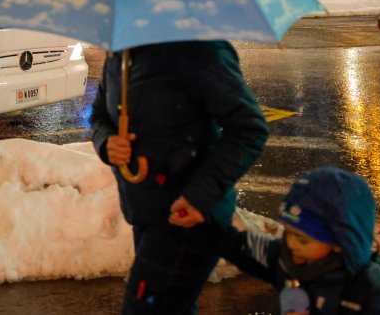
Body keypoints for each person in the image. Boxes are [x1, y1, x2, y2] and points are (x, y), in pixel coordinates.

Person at [90, 40, 269, 314]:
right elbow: (100, 114)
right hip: (145, 212)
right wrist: (107, 142)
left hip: (188, 219)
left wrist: (200, 196)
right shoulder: (121, 54)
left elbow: (249, 128)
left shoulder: (199, 50)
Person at [216, 167, 380, 314]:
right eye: (288, 232)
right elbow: (239, 244)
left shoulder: (373, 295)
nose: (291, 244)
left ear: (340, 243)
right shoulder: (284, 259)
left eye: (303, 240)